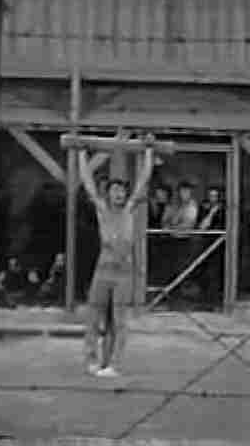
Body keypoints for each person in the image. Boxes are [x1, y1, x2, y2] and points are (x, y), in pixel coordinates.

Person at [79, 144, 154, 378]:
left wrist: (148, 152)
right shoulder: (102, 209)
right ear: (109, 193)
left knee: (120, 321)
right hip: (103, 270)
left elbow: (143, 179)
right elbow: (88, 183)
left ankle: (115, 364)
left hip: (123, 273)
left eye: (122, 190)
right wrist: (81, 153)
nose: (119, 194)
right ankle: (92, 360)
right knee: (93, 317)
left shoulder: (129, 209)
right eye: (114, 190)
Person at [197, 186, 226, 307]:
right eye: (210, 196)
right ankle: (205, 300)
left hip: (220, 245)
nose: (212, 198)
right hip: (206, 243)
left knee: (216, 273)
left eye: (215, 196)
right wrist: (211, 213)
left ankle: (215, 301)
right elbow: (202, 227)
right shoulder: (204, 208)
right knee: (205, 272)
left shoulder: (224, 210)